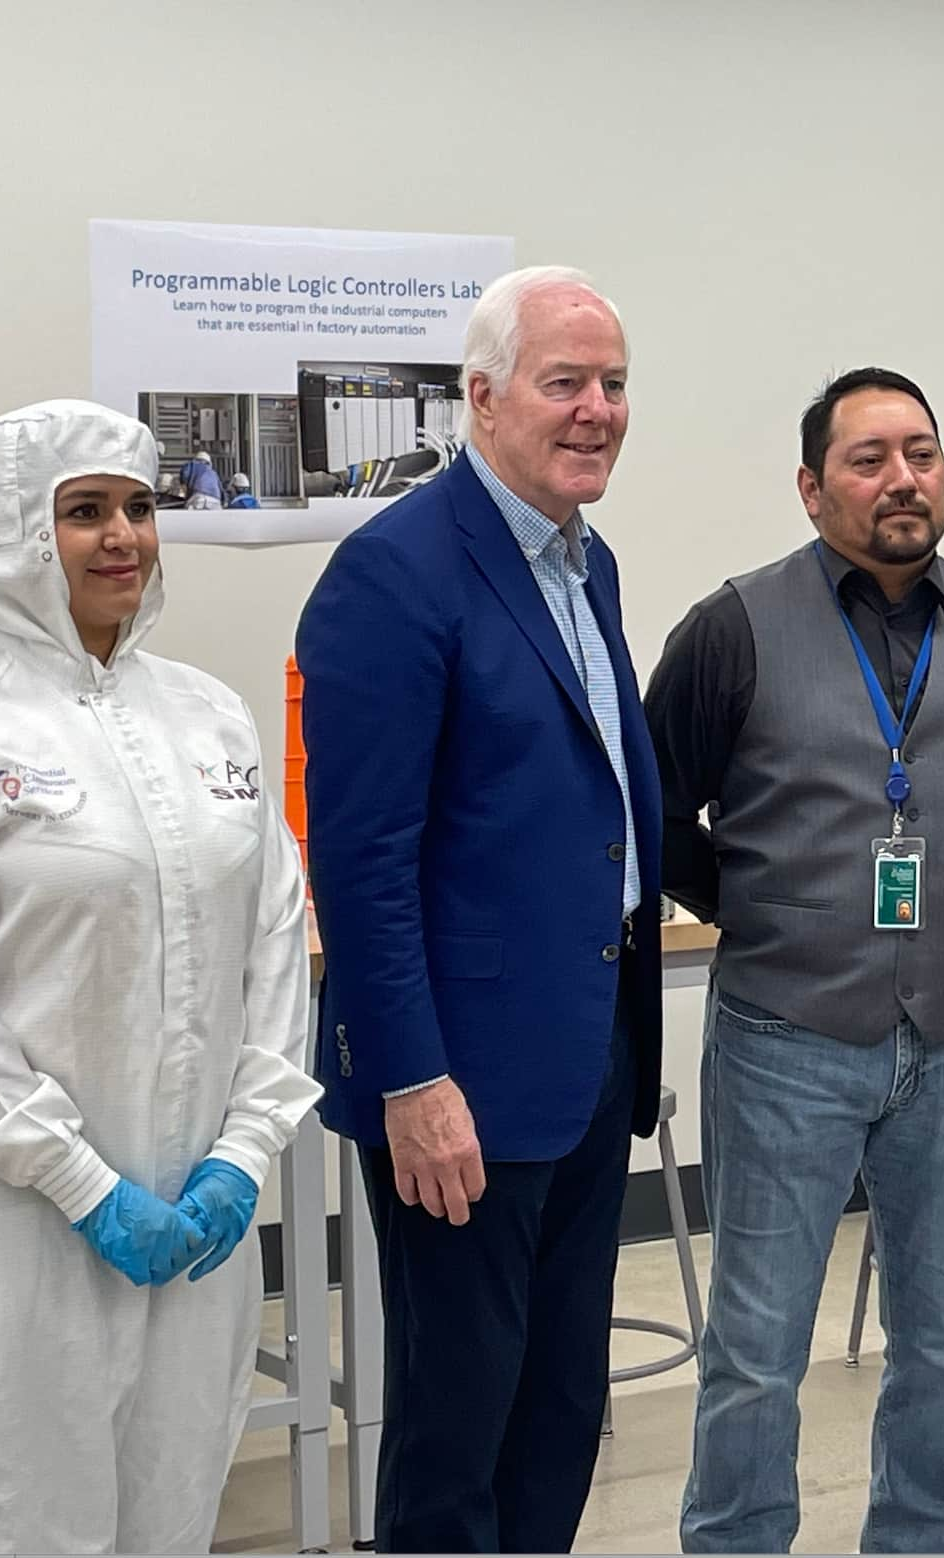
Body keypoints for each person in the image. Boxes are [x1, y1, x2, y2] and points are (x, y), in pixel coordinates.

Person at [0, 399, 319, 1552]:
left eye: (138, 507)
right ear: (18, 530)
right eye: (83, 512)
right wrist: (79, 1183)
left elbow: (273, 944)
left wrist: (242, 1154)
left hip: (191, 1227)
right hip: (9, 1234)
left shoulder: (206, 715)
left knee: (170, 1517)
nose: (122, 535)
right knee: (22, 1530)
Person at [646, 367, 944, 1553]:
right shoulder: (732, 627)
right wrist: (764, 909)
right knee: (756, 1351)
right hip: (786, 1039)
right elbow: (661, 813)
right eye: (868, 459)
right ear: (812, 485)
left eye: (920, 454)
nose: (901, 481)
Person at [296, 265, 663, 1553]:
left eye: (613, 384)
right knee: (458, 1429)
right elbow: (362, 860)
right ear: (482, 396)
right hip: (455, 1089)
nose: (597, 411)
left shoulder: (588, 563)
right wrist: (410, 1080)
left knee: (559, 1409)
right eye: (565, 383)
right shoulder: (393, 575)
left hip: (584, 1062)